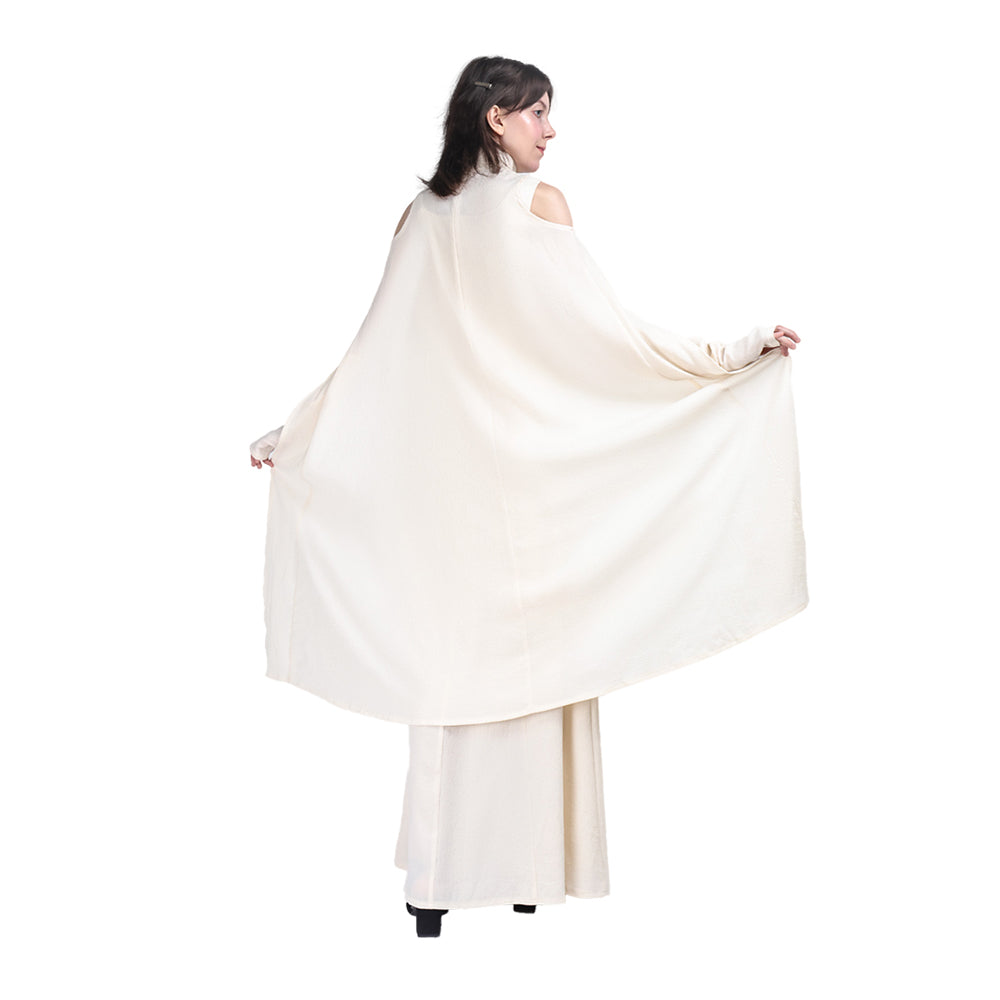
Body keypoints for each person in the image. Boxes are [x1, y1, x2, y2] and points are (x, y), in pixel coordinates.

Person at [250, 56, 805, 938]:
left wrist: (299, 431)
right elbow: (618, 345)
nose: (551, 129)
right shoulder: (536, 206)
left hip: (454, 503)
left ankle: (437, 888)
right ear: (495, 117)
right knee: (534, 669)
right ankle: (523, 876)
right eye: (538, 112)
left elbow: (373, 363)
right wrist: (731, 356)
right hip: (526, 492)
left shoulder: (419, 216)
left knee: (456, 677)